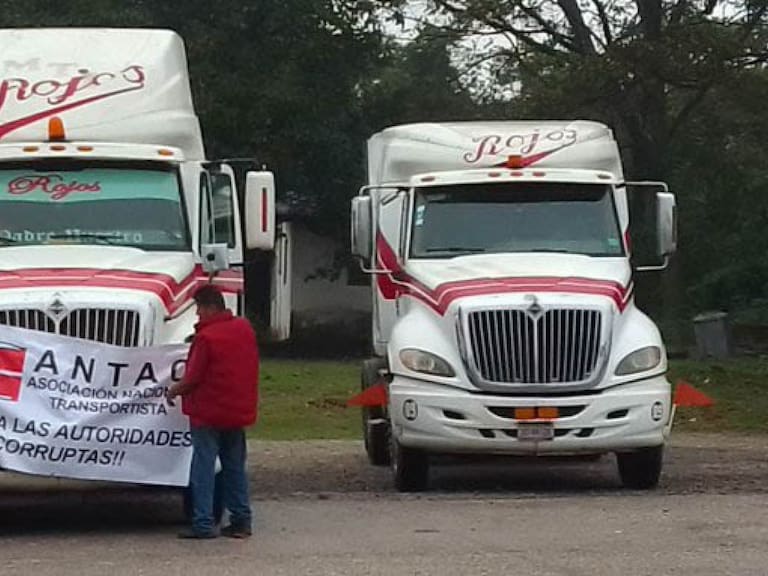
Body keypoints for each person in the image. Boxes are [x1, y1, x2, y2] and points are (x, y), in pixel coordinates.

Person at [166, 284, 259, 539]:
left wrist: (174, 390)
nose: (197, 315)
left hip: (208, 413)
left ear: (208, 307)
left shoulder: (206, 338)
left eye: (198, 309)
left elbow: (193, 377)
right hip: (237, 411)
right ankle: (242, 520)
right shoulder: (244, 329)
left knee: (203, 469)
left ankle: (203, 523)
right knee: (234, 467)